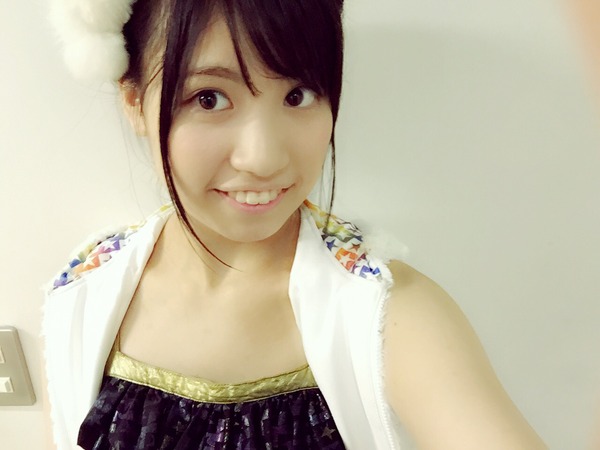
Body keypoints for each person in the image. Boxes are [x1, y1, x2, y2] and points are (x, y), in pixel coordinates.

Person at [43, 0, 548, 449]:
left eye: (298, 94)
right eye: (209, 98)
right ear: (134, 101)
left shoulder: (390, 311)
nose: (263, 158)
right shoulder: (84, 290)